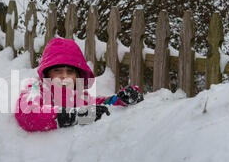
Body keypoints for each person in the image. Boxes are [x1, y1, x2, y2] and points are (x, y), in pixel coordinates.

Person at [15, 37, 143, 132]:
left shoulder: (78, 96)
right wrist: (77, 116)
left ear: (77, 77)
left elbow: (99, 103)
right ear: (47, 73)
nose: (64, 76)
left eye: (70, 72)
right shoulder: (36, 88)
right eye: (57, 70)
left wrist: (121, 99)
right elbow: (28, 114)